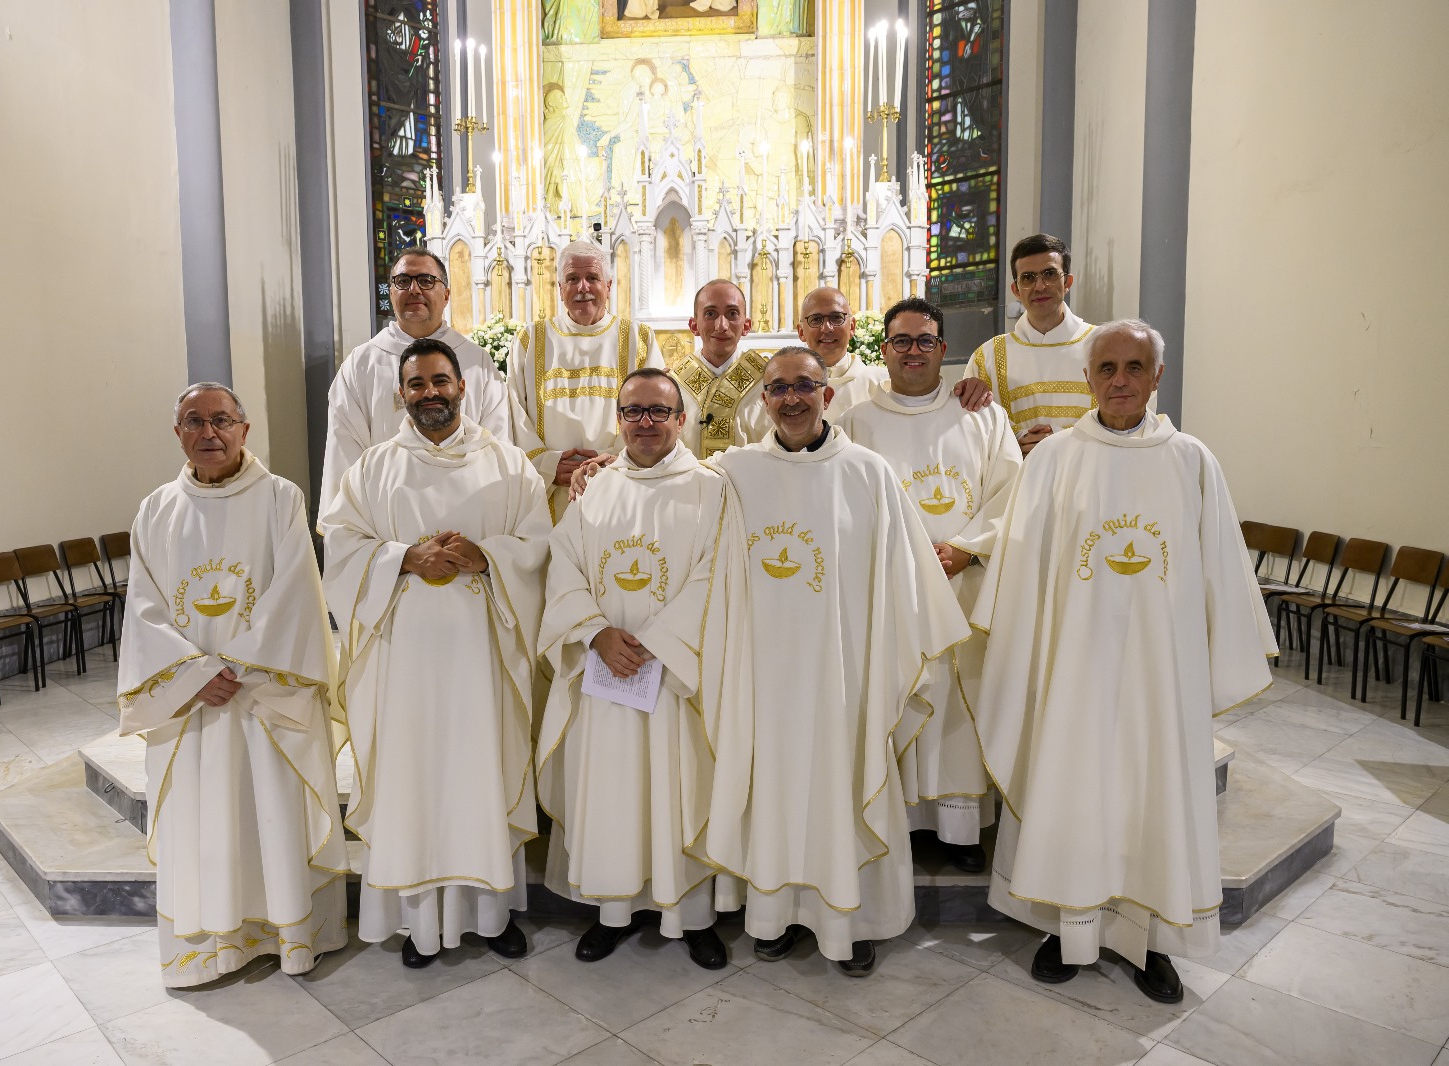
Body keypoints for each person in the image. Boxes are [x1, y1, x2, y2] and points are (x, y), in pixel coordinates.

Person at [973, 320, 1276, 1002]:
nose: (1119, 380)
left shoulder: (1192, 461)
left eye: (1134, 367)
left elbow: (1221, 573)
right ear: (1087, 376)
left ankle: (1152, 941)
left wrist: (1208, 660)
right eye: (1106, 367)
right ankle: (1065, 927)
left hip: (1158, 680)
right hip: (1072, 673)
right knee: (1071, 788)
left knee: (1153, 796)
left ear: (1157, 377)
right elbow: (1022, 572)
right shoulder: (1052, 462)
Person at [694, 347, 971, 977]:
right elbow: (663, 482)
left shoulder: (869, 473)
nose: (792, 399)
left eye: (805, 386)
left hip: (846, 676)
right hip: (765, 674)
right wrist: (598, 466)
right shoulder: (733, 472)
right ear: (761, 400)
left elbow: (905, 580)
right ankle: (774, 916)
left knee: (845, 782)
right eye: (778, 388)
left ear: (829, 393)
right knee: (774, 784)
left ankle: (855, 919)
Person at [321, 338, 551, 969]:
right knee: (415, 780)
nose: (431, 393)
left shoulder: (507, 465)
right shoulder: (372, 469)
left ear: (462, 385)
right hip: (404, 665)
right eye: (417, 384)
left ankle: (492, 912)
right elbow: (339, 544)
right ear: (402, 393)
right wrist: (401, 558)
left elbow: (539, 541)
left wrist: (489, 557)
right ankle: (418, 921)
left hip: (482, 660)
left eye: (440, 381)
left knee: (482, 773)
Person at [117, 383, 347, 987]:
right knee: (205, 817)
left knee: (270, 808)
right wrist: (193, 675)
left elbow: (297, 589)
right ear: (178, 434)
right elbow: (142, 607)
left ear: (245, 430)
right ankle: (213, 943)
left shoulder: (279, 498)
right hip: (193, 705)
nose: (208, 433)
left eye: (221, 420)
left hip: (262, 695)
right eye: (193, 421)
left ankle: (288, 935)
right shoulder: (155, 509)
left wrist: (236, 669)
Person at [536, 369, 748, 970]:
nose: (646, 422)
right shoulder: (595, 489)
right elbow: (565, 566)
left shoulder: (712, 489)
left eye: (660, 411)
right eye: (634, 411)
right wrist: (596, 634)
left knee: (682, 789)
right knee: (614, 791)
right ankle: (613, 912)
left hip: (678, 678)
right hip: (608, 676)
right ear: (619, 420)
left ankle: (693, 917)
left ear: (682, 420)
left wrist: (659, 643)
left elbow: (718, 574)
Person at [840, 298, 1022, 873]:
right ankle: (904, 821)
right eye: (901, 341)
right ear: (884, 349)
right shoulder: (854, 423)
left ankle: (959, 829)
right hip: (892, 592)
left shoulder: (981, 415)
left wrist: (966, 549)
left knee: (958, 705)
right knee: (899, 693)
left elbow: (1012, 492)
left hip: (964, 585)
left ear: (944, 351)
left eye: (924, 341)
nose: (912, 351)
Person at [320, 247, 511, 518]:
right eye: (403, 281)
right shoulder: (361, 365)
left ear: (446, 295)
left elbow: (497, 444)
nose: (414, 290)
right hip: (387, 516)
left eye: (426, 280)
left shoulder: (476, 361)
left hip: (468, 510)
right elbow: (344, 451)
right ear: (390, 293)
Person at [506, 240, 663, 522]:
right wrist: (547, 465)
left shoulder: (638, 340)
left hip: (621, 483)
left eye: (592, 278)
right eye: (572, 279)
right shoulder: (529, 341)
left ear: (609, 286)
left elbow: (657, 410)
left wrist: (617, 461)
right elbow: (512, 413)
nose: (583, 288)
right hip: (549, 491)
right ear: (560, 289)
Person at [962, 233, 1102, 456]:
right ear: (1016, 290)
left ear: (1067, 282)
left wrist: (1059, 442)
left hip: (1087, 478)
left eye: (1050, 274)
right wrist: (1012, 445)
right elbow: (971, 431)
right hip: (1018, 483)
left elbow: (1128, 422)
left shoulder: (1104, 347)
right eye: (1028, 278)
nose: (1040, 286)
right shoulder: (988, 357)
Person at [666, 279, 769, 458]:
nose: (721, 326)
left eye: (732, 313)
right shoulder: (672, 385)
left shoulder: (769, 382)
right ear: (694, 325)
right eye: (710, 313)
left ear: (746, 326)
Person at [795, 287, 887, 411]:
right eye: (816, 319)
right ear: (801, 332)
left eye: (836, 317)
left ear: (852, 327)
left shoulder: (883, 384)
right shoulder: (782, 390)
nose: (827, 328)